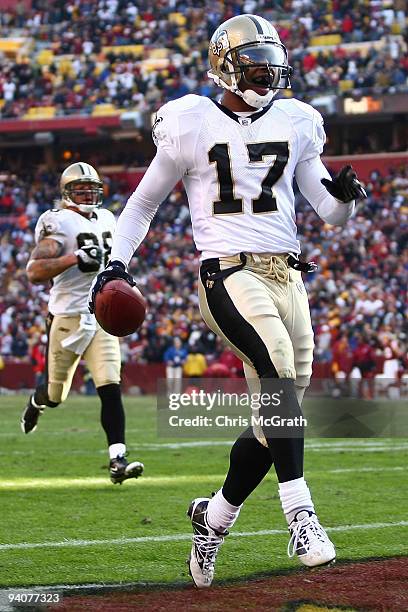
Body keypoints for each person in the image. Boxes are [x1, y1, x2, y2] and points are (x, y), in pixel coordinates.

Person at [89, 14, 366, 586]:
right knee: (278, 373)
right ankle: (301, 515)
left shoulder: (297, 121)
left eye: (271, 63)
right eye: (254, 64)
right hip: (227, 273)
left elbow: (329, 212)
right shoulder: (190, 120)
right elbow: (142, 205)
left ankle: (214, 516)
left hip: (288, 278)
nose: (266, 74)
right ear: (225, 65)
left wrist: (347, 199)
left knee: (276, 415)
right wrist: (116, 265)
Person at [21, 162, 144, 485]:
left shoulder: (107, 218)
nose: (88, 193)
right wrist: (73, 258)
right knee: (56, 394)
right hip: (65, 317)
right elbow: (34, 271)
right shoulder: (57, 221)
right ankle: (38, 400)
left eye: (92, 187)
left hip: (99, 316)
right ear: (66, 192)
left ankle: (117, 459)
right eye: (80, 188)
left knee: (110, 386)